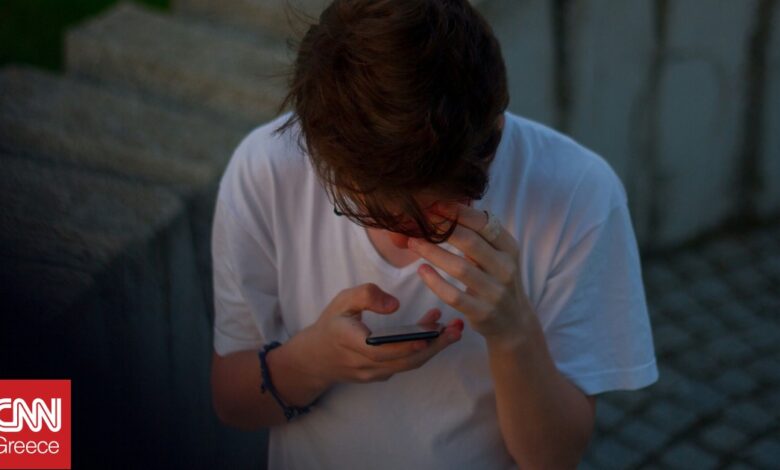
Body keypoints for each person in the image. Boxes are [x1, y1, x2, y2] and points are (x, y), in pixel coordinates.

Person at [209, 0, 658, 468]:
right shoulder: (268, 170)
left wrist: (513, 331)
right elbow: (232, 403)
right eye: (369, 209)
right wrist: (313, 361)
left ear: (492, 140)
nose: (401, 242)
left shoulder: (580, 193)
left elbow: (554, 458)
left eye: (428, 214)